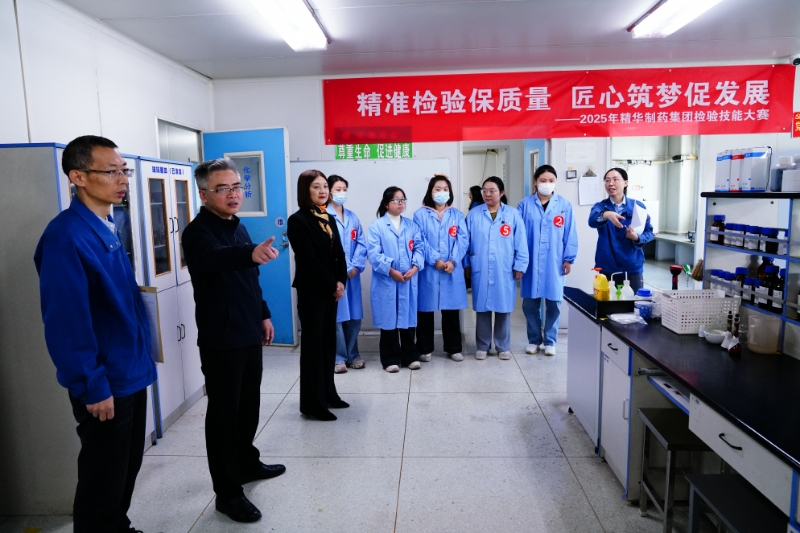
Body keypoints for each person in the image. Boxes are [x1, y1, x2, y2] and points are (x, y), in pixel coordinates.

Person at [34, 135, 156, 533]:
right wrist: (92, 383)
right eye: (112, 171)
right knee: (102, 475)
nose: (123, 179)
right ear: (78, 177)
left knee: (125, 466)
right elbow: (66, 321)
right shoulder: (66, 236)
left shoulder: (105, 225)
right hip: (106, 379)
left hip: (129, 369)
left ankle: (117, 525)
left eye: (125, 170)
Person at [183, 157, 286, 523]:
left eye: (237, 187)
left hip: (248, 331)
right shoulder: (197, 233)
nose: (233, 194)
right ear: (203, 194)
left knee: (248, 407)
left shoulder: (238, 227)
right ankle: (227, 494)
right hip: (221, 339)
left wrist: (263, 313)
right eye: (223, 188)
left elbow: (249, 278)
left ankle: (247, 463)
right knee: (225, 417)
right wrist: (248, 253)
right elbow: (217, 258)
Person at [287, 169, 349, 419]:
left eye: (325, 186)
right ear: (306, 190)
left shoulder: (328, 217)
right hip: (313, 291)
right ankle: (313, 404)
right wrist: (332, 284)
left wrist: (341, 281)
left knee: (328, 344)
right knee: (314, 347)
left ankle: (329, 394)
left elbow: (339, 253)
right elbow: (308, 260)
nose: (323, 191)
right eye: (316, 186)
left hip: (331, 291)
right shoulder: (298, 220)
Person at [465, 177, 529, 360]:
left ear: (501, 193)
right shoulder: (474, 214)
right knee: (482, 308)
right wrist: (466, 263)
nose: (487, 194)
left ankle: (502, 346)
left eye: (492, 191)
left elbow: (521, 243)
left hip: (504, 267)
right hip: (480, 266)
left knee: (503, 308)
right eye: (484, 190)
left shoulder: (513, 215)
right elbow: (465, 242)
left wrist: (520, 265)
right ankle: (482, 346)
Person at [518, 165, 578, 356]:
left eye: (551, 180)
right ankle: (534, 339)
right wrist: (518, 261)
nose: (547, 184)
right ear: (535, 182)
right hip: (530, 261)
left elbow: (570, 233)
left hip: (555, 261)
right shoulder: (524, 205)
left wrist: (568, 258)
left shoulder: (564, 205)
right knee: (529, 304)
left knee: (554, 303)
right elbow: (518, 236)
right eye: (543, 180)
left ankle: (550, 341)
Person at [368, 186, 425, 373]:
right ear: (386, 204)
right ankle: (390, 358)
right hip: (387, 281)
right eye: (396, 200)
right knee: (389, 320)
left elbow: (420, 248)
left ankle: (411, 356)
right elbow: (374, 254)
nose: (400, 203)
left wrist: (415, 267)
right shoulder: (377, 227)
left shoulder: (411, 225)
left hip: (408, 279)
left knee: (408, 319)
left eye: (402, 200)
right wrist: (391, 270)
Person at [413, 175, 469, 362]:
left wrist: (453, 261)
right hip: (429, 269)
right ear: (430, 192)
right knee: (425, 310)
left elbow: (462, 239)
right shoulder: (420, 215)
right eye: (438, 189)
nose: (441, 192)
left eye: (445, 189)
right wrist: (435, 259)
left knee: (451, 310)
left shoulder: (456, 215)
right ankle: (424, 348)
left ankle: (454, 348)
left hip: (451, 268)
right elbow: (420, 240)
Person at [588, 167, 654, 292]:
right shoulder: (600, 206)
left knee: (633, 302)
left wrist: (636, 238)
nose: (610, 183)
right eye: (607, 180)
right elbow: (592, 221)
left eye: (615, 179)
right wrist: (606, 214)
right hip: (606, 268)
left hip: (632, 268)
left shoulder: (638, 206)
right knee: (605, 303)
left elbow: (649, 233)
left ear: (626, 182)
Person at [326, 174, 367, 373]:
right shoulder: (323, 217)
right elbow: (328, 248)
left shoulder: (352, 217)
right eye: (338, 189)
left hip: (353, 276)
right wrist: (346, 267)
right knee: (337, 317)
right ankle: (339, 357)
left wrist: (356, 265)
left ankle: (353, 354)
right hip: (336, 275)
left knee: (355, 316)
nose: (342, 193)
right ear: (329, 192)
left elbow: (361, 243)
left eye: (344, 189)